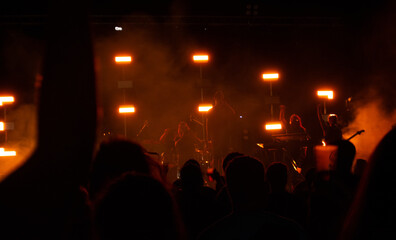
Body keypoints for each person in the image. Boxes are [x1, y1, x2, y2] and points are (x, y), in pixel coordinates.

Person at [207, 90, 237, 174]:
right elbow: (208, 126)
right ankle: (218, 173)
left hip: (223, 137)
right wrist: (208, 138)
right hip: (216, 137)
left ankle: (223, 173)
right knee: (217, 156)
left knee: (222, 156)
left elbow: (233, 114)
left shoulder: (225, 109)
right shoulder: (212, 111)